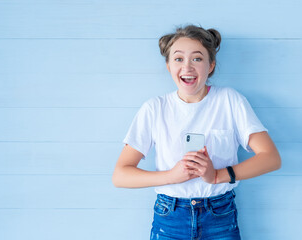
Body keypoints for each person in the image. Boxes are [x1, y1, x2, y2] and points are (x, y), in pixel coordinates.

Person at [112, 25, 281, 240]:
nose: (188, 67)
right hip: (170, 217)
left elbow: (271, 158)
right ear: (168, 66)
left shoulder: (230, 100)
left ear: (210, 66)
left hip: (220, 215)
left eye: (197, 59)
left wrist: (217, 175)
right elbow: (120, 175)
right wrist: (172, 176)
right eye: (179, 58)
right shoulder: (154, 108)